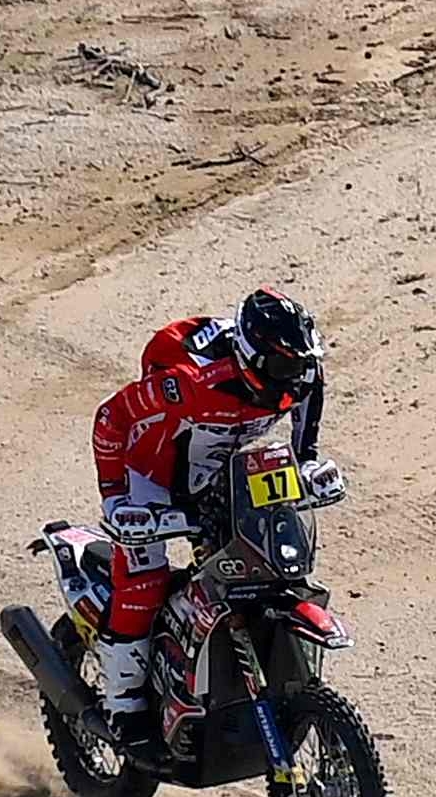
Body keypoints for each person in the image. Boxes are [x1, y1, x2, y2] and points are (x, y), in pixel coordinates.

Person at [78, 289, 326, 750]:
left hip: (218, 472)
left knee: (255, 560)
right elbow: (111, 418)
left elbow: (312, 389)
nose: (295, 381)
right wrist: (116, 499)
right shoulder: (190, 382)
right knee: (144, 574)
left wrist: (307, 457)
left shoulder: (297, 374)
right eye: (284, 369)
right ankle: (124, 705)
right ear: (253, 358)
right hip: (146, 474)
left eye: (301, 366)